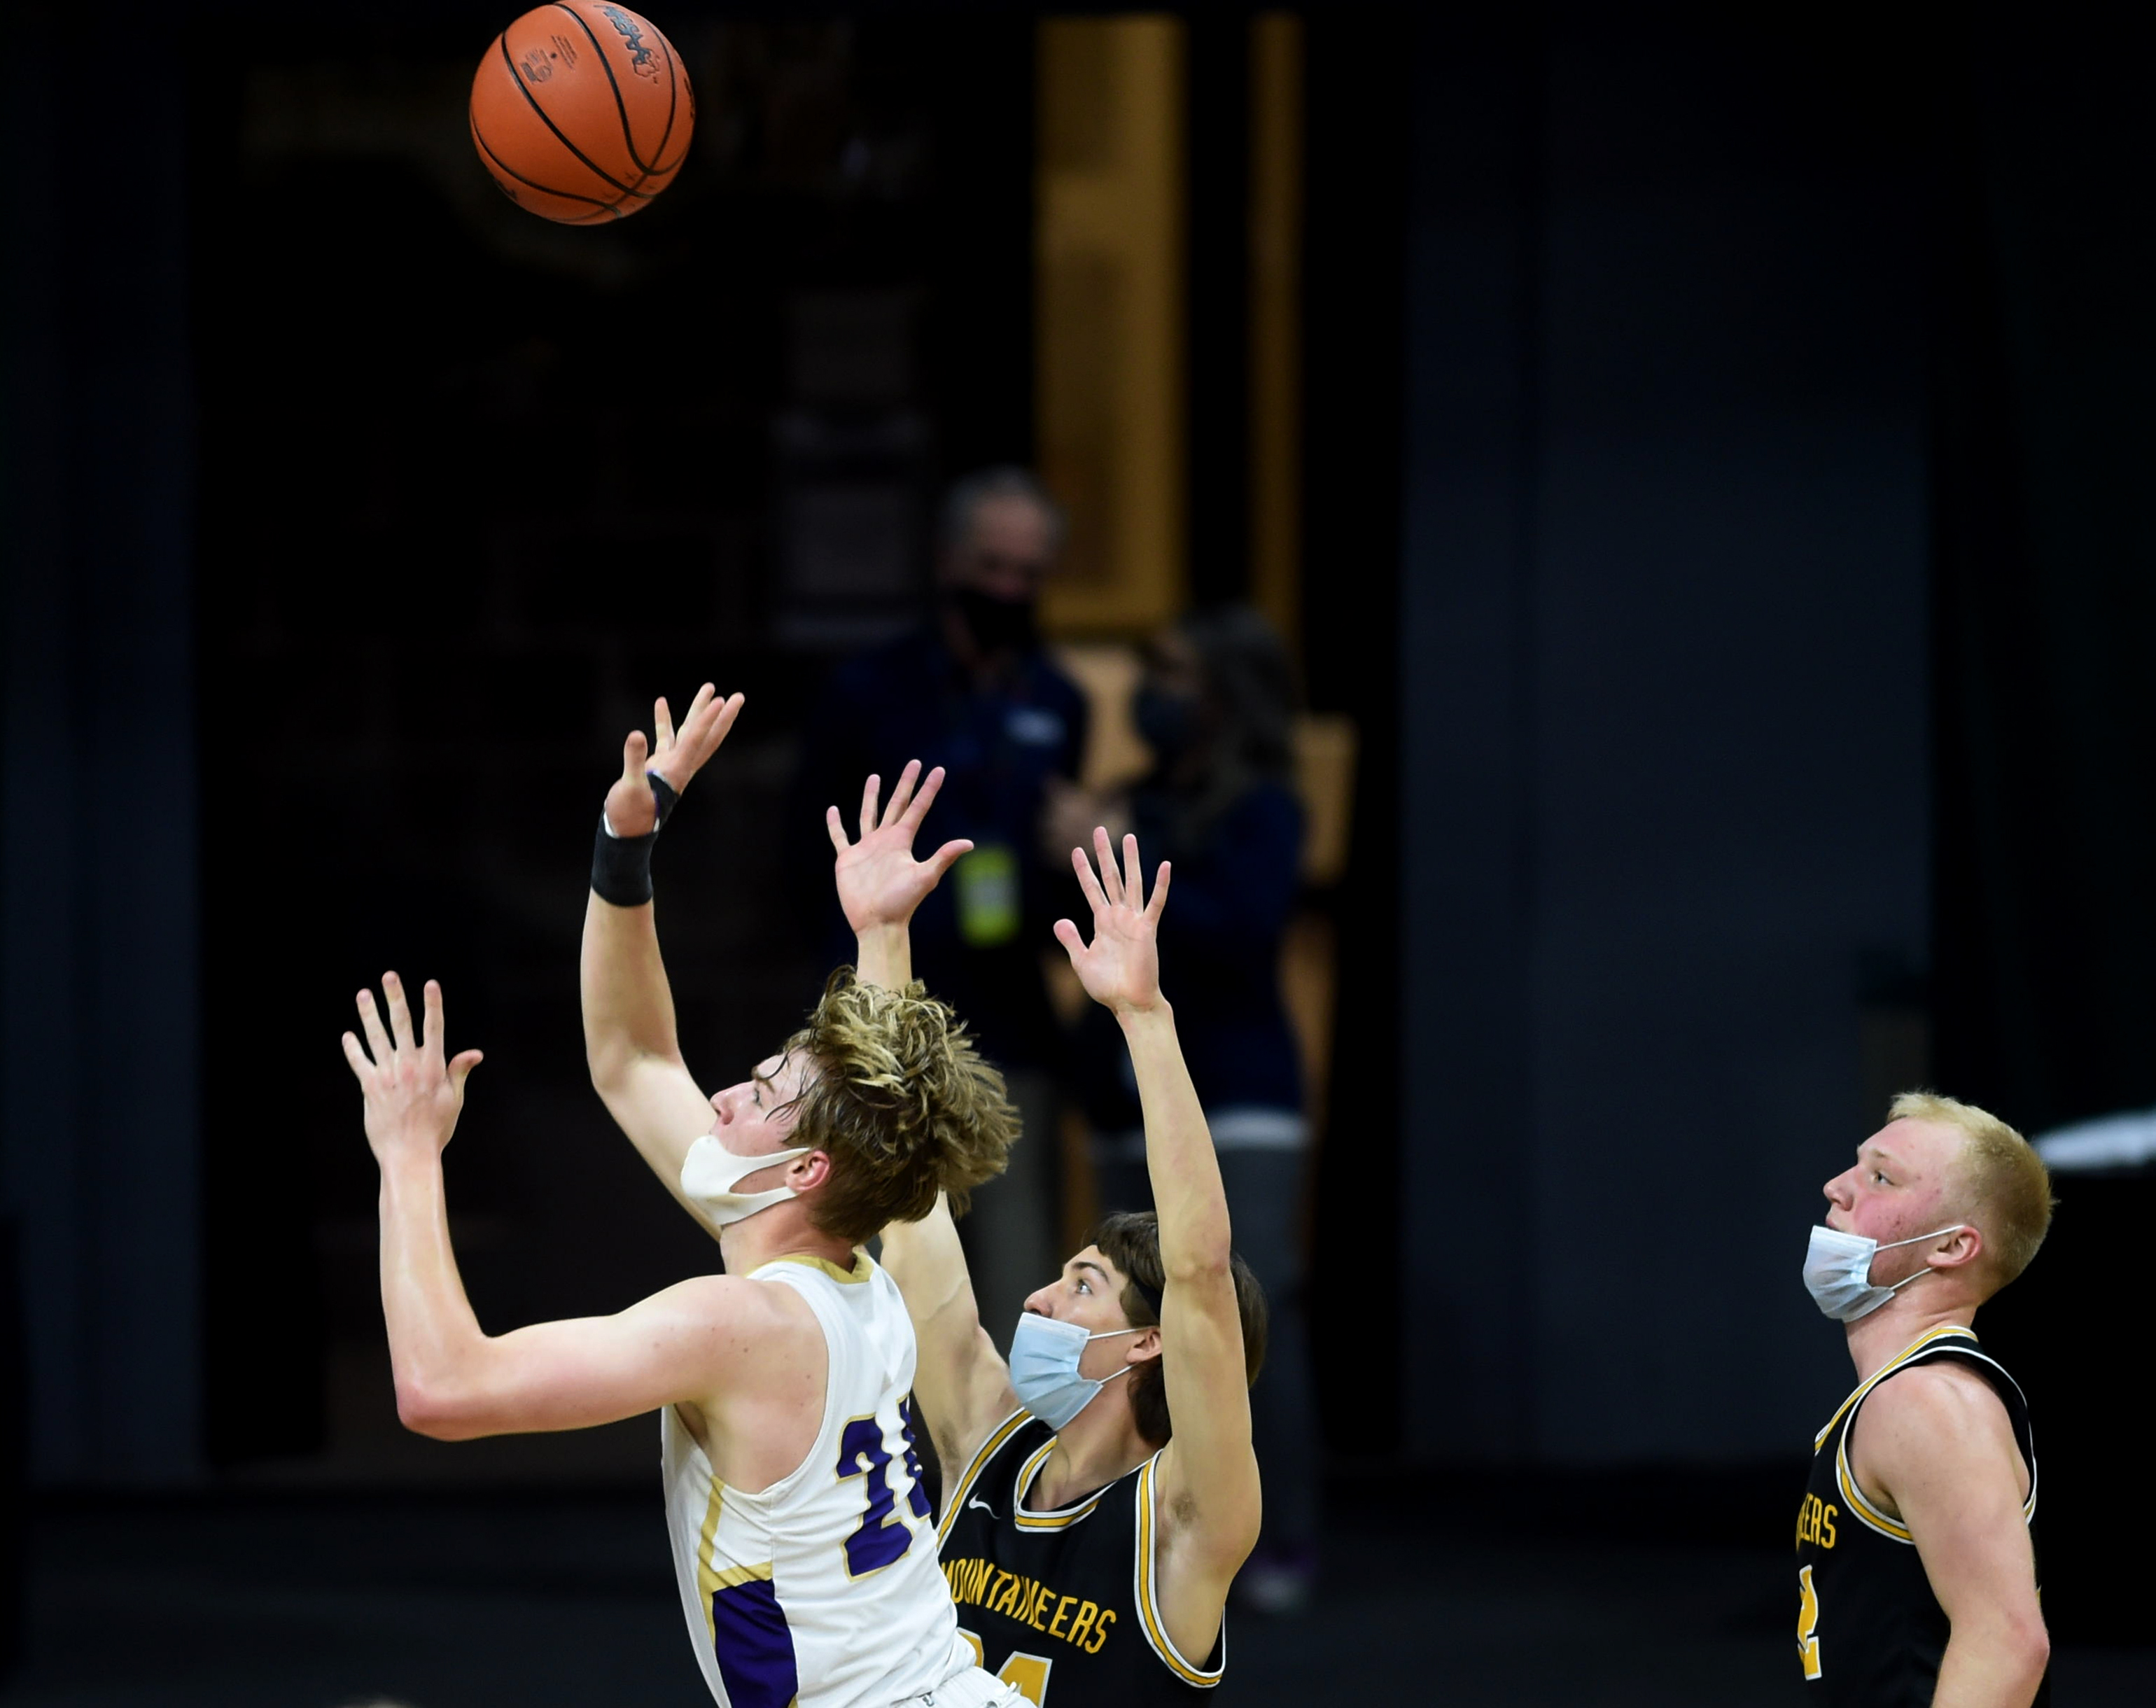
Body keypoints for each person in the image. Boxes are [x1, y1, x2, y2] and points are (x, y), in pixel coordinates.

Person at [344, 685, 1026, 1708]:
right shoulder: (853, 1267)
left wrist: (406, 1156)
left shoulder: (742, 1324)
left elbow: (443, 1390)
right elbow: (630, 1056)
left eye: (761, 1095)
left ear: (803, 1172)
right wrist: (626, 852)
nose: (721, 1095)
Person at [876, 827, 1268, 1704]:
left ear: (1144, 1344)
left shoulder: (1183, 1520)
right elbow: (909, 1210)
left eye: (1083, 1285)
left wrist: (1142, 1016)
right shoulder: (984, 1438)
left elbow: (1200, 1272)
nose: (1038, 1296)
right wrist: (880, 939)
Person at [1046, 606, 1316, 1610]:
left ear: (1224, 694)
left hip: (1238, 1095)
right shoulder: (1130, 797)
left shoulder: (1265, 809)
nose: (1151, 693)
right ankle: (1137, 1529)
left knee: (1247, 1309)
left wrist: (1113, 846)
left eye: (1172, 673)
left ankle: (1278, 1535)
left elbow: (1240, 933)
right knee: (1135, 1318)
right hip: (1126, 1097)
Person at [789, 468, 1089, 1350]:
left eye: (1028, 575)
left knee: (1015, 1264)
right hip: (886, 1014)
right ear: (949, 560)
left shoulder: (1055, 699)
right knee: (884, 1261)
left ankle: (1007, 1476)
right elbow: (804, 855)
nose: (1008, 591)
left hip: (1005, 1017)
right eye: (991, 567)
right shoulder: (869, 690)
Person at [1795, 1091, 2054, 1707]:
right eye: (1856, 1165)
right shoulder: (1904, 1395)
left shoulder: (1928, 1401)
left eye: (1882, 1177)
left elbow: (2009, 1643)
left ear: (1951, 1248)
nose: (1837, 1186)